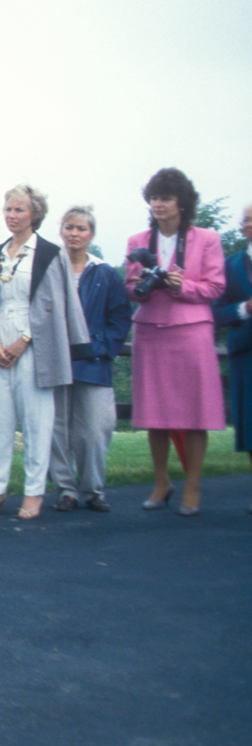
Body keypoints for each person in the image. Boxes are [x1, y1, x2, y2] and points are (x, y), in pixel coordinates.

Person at [0, 185, 91, 520]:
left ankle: (34, 493)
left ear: (34, 214)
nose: (11, 215)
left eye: (19, 210)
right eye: (8, 209)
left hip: (36, 343)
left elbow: (56, 305)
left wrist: (24, 340)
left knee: (37, 422)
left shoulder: (50, 254)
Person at [127, 168, 226, 515]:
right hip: (150, 332)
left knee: (196, 413)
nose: (158, 204)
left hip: (191, 332)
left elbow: (215, 287)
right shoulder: (138, 241)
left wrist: (179, 285)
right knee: (155, 413)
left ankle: (193, 486)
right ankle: (161, 482)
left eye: (165, 198)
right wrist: (144, 284)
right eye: (154, 198)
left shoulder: (207, 239)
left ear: (182, 202)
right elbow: (129, 288)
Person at [49, 205, 131, 512]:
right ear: (61, 230)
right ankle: (66, 491)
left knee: (95, 428)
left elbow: (120, 317)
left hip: (93, 363)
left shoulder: (105, 273)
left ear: (91, 234)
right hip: (55, 361)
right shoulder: (48, 268)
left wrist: (102, 348)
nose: (74, 234)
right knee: (57, 429)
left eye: (81, 228)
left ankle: (93, 490)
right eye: (69, 227)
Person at [213, 202, 252, 505]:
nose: (249, 223)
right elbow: (217, 312)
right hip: (245, 353)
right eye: (247, 219)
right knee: (250, 424)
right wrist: (244, 308)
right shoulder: (231, 265)